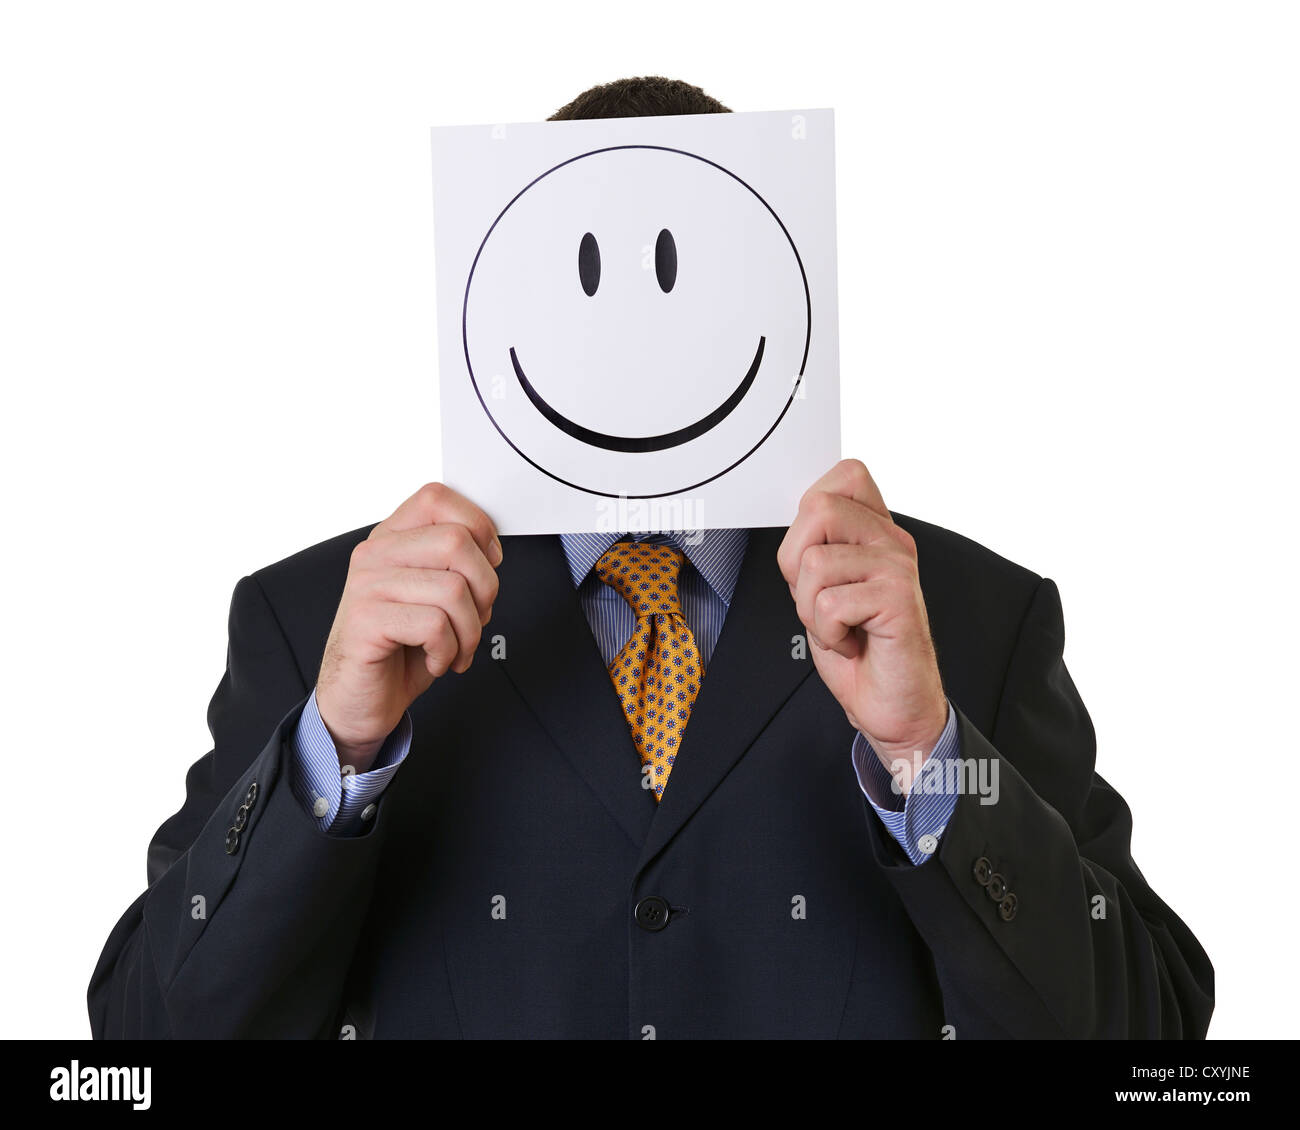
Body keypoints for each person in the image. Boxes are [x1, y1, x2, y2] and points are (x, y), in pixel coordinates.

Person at [88, 76, 1214, 1040]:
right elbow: (144, 1035)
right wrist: (330, 752)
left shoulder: (968, 616)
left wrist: (931, 757)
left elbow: (1153, 1034)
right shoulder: (321, 623)